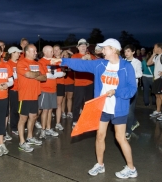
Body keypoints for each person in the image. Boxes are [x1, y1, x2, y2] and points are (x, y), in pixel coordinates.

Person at [51, 38, 138, 179]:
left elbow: (132, 89)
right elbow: (82, 65)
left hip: (118, 108)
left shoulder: (126, 67)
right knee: (99, 136)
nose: (102, 51)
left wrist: (116, 92)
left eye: (105, 48)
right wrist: (63, 61)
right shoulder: (100, 64)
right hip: (102, 107)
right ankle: (100, 164)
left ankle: (131, 168)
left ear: (114, 49)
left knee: (120, 138)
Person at [17, 44, 46, 152]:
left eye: (36, 51)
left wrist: (35, 74)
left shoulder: (37, 63)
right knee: (23, 118)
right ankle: (21, 141)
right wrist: (36, 74)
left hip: (35, 94)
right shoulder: (21, 63)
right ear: (27, 52)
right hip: (24, 96)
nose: (36, 53)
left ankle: (29, 137)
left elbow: (44, 77)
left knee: (33, 116)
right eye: (33, 51)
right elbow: (28, 74)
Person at [38, 45, 64, 139]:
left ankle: (48, 128)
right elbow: (45, 75)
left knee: (50, 110)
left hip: (53, 88)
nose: (53, 53)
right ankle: (43, 130)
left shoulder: (54, 61)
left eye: (53, 51)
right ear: (45, 52)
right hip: (44, 89)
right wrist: (54, 74)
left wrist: (54, 74)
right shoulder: (41, 62)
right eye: (51, 51)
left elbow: (61, 73)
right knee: (45, 110)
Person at [71, 39, 95, 128]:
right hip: (79, 83)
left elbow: (96, 67)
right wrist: (83, 59)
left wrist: (91, 60)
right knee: (77, 103)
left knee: (89, 103)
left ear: (87, 47)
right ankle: (75, 121)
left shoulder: (92, 56)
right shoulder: (74, 56)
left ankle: (87, 120)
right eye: (81, 46)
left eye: (85, 45)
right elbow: (75, 67)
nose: (83, 47)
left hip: (90, 82)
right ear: (78, 47)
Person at [124, 45, 142, 140]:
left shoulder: (137, 62)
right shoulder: (123, 61)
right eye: (125, 51)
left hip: (132, 89)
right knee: (125, 109)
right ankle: (134, 122)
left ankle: (128, 131)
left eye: (128, 51)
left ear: (133, 52)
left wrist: (130, 75)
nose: (126, 53)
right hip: (123, 89)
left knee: (130, 110)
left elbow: (140, 74)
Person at [4, 46, 22, 135]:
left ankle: (20, 125)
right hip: (13, 89)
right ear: (12, 53)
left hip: (21, 89)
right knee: (14, 108)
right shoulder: (8, 64)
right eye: (17, 52)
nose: (19, 54)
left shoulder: (20, 63)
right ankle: (14, 127)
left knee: (21, 109)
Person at [147, 43, 162, 121]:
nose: (153, 48)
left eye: (154, 47)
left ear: (159, 48)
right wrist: (153, 54)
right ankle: (158, 111)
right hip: (157, 79)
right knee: (157, 95)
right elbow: (148, 63)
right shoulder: (157, 56)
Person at [53, 45, 66, 130]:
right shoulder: (51, 61)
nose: (57, 51)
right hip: (51, 84)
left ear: (61, 51)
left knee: (59, 104)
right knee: (47, 107)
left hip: (61, 84)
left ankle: (58, 123)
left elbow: (66, 72)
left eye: (58, 50)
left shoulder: (64, 61)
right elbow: (51, 74)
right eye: (55, 50)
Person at [61, 50, 74, 119]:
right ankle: (63, 112)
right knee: (63, 98)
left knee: (70, 98)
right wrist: (62, 56)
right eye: (64, 54)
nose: (65, 56)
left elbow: (75, 58)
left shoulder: (71, 61)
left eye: (67, 54)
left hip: (71, 82)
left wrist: (71, 53)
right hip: (63, 82)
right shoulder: (61, 61)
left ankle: (69, 112)